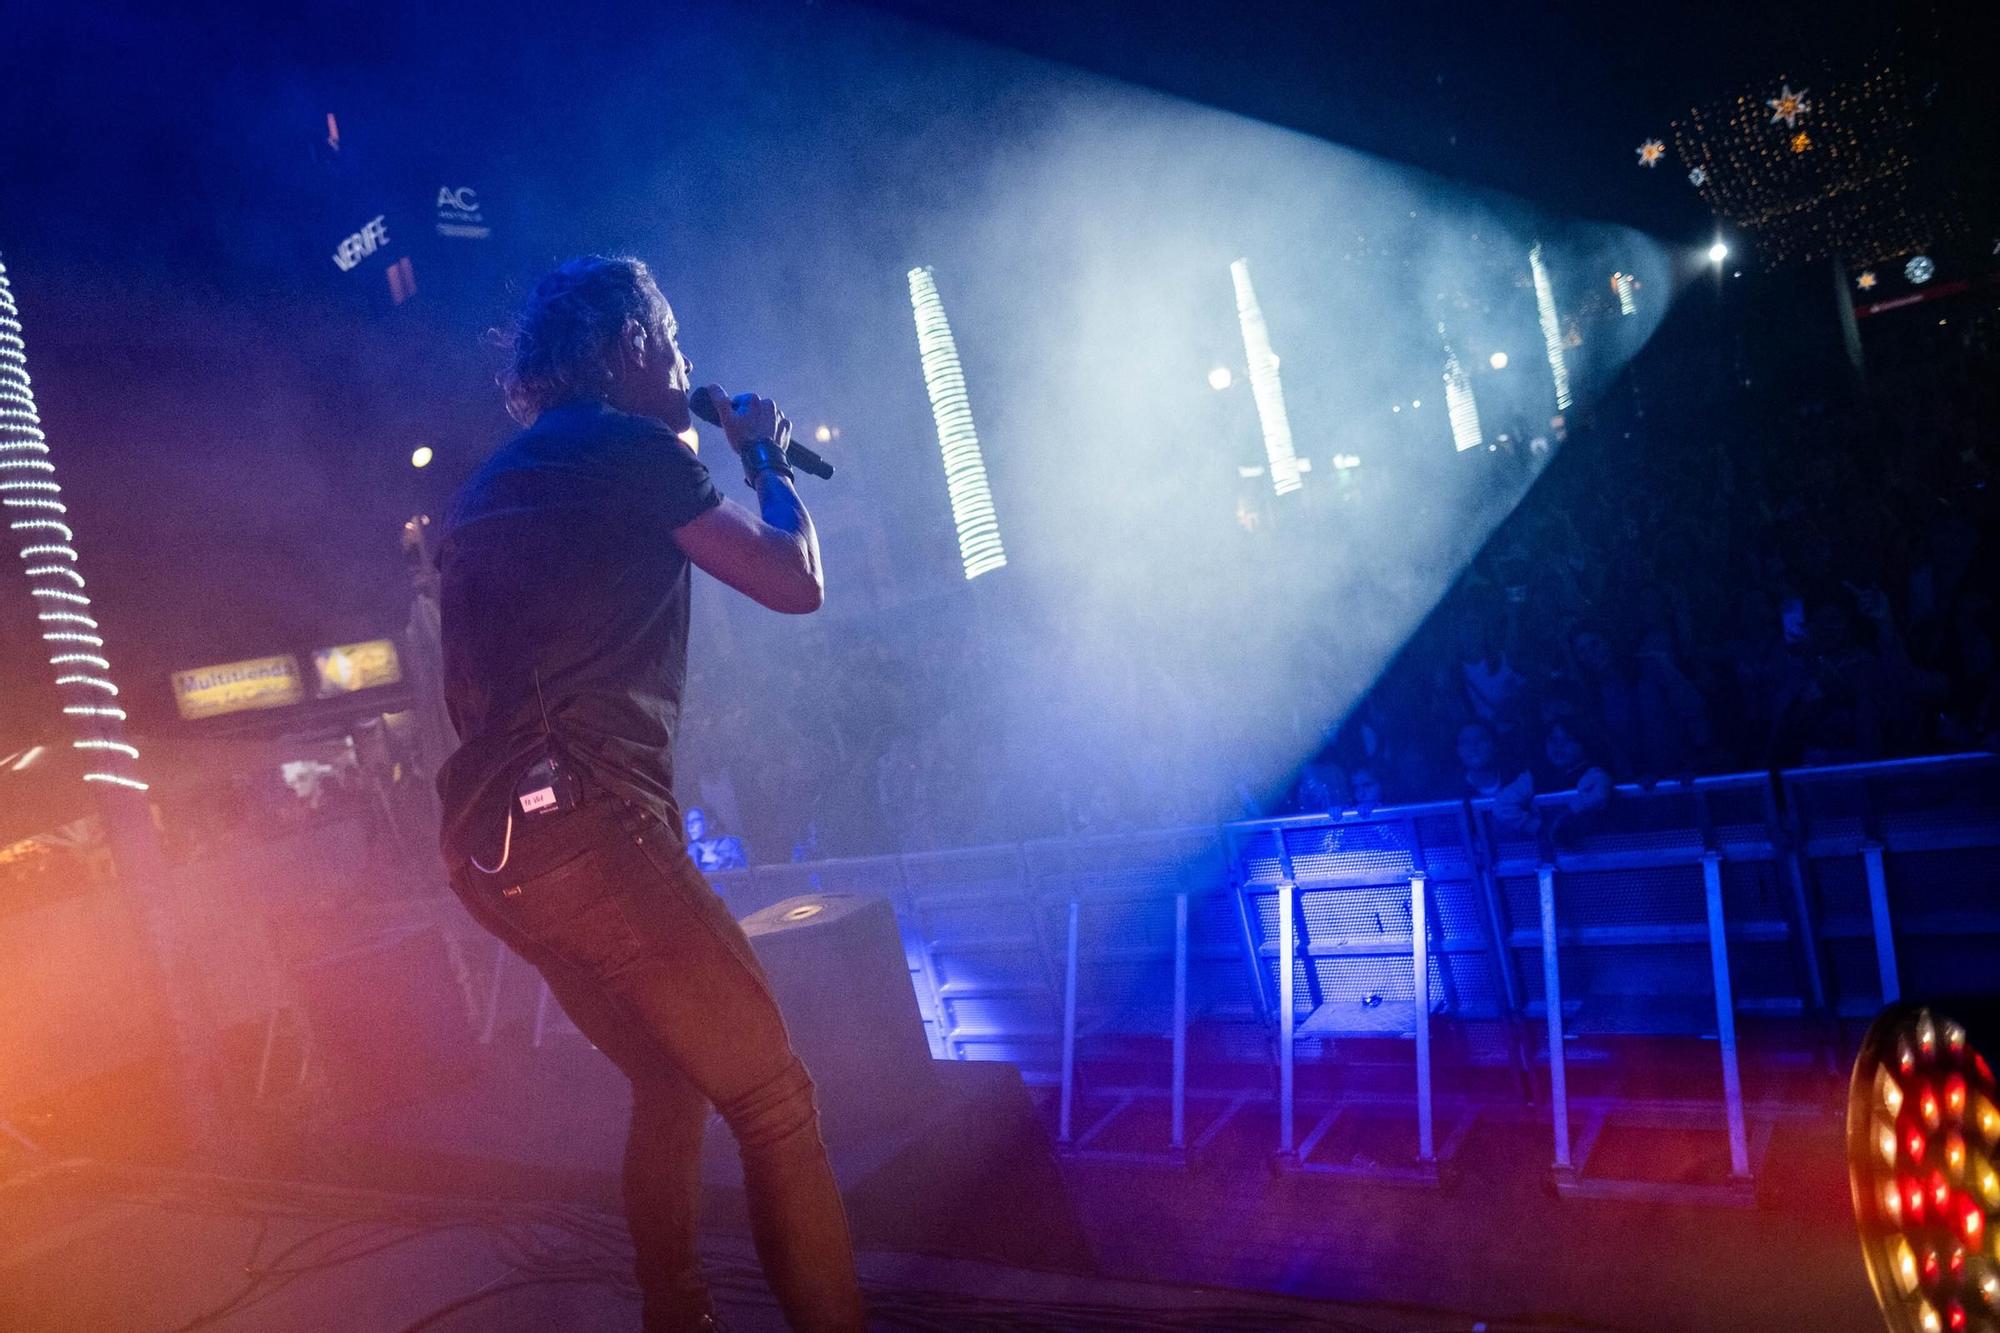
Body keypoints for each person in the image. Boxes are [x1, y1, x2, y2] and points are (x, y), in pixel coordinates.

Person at [434, 256, 863, 1333]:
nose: (680, 367)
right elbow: (791, 581)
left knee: (670, 1085)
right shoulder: (628, 449)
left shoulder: (496, 486)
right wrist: (764, 455)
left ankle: (676, 1319)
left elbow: (466, 693)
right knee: (772, 1098)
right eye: (669, 344)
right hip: (587, 826)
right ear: (629, 346)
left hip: (492, 853)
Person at [682, 805, 748, 872]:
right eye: (688, 822)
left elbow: (744, 872)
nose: (690, 826)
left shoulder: (733, 844)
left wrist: (717, 859)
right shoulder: (689, 851)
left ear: (711, 823)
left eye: (695, 821)